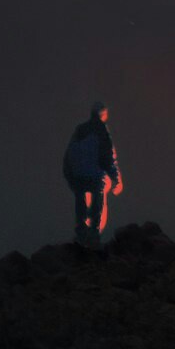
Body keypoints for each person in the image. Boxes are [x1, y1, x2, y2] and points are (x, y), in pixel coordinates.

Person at [62, 101, 123, 248]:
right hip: (95, 175)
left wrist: (70, 176)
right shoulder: (101, 130)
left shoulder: (80, 129)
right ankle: (94, 231)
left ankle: (81, 230)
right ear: (103, 114)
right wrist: (115, 178)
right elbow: (107, 157)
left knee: (80, 198)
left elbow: (69, 155)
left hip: (78, 175)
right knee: (98, 197)